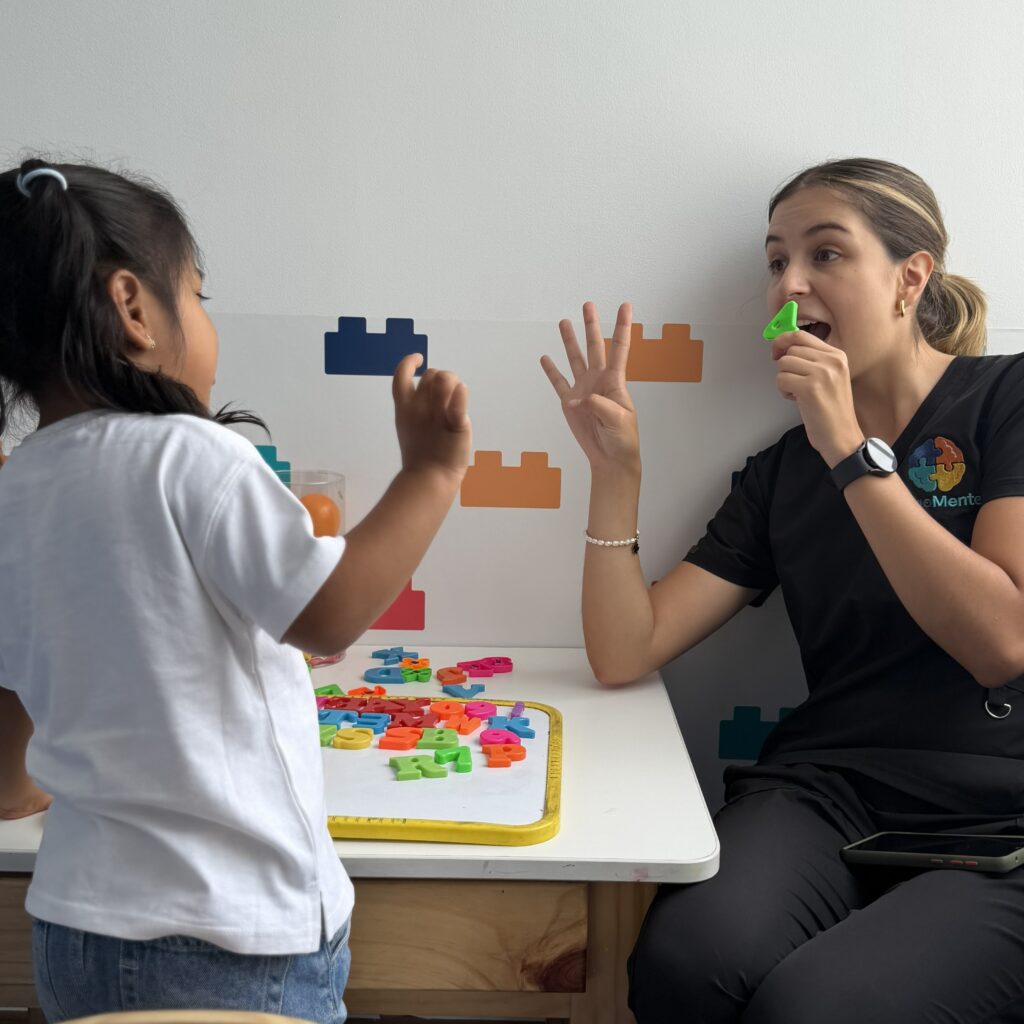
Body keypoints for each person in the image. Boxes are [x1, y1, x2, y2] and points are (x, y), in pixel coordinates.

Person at [542, 158, 1024, 1023]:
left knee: (815, 1008)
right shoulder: (783, 471)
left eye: (825, 255)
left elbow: (1003, 643)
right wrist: (615, 475)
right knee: (684, 963)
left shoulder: (1008, 400)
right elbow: (624, 650)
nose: (789, 286)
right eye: (776, 263)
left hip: (1002, 821)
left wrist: (851, 454)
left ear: (911, 278)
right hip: (827, 789)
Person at [0, 158, 471, 1023]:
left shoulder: (15, 488)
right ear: (134, 308)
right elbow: (329, 616)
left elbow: (8, 733)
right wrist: (430, 476)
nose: (208, 324)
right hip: (232, 938)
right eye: (200, 295)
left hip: (72, 932)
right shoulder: (193, 455)